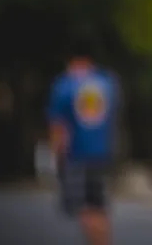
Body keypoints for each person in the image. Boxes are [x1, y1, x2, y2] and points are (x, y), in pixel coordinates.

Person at [47, 35, 119, 245]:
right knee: (99, 208)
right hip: (104, 154)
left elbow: (58, 128)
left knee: (86, 210)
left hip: (78, 155)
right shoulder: (108, 83)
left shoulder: (64, 85)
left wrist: (57, 157)